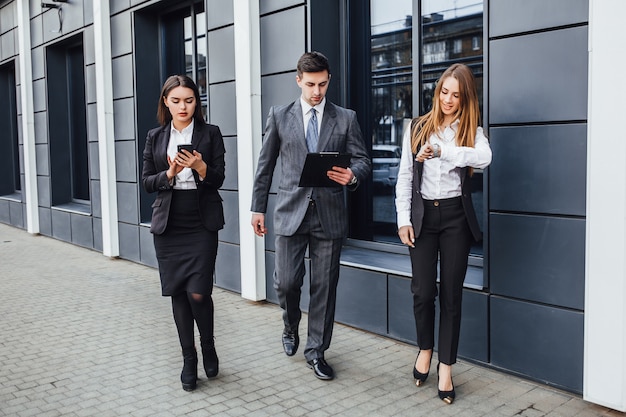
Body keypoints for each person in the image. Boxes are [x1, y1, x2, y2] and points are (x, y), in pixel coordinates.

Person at [250, 51, 370, 381]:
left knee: (324, 288)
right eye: (311, 84)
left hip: (329, 215)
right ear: (298, 80)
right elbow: (265, 167)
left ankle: (316, 351)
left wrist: (353, 176)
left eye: (323, 84)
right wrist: (257, 207)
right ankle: (290, 325)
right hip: (290, 212)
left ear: (329, 80)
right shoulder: (279, 115)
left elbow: (362, 160)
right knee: (287, 283)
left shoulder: (346, 118)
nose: (317, 91)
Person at [395, 63, 491, 404]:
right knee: (422, 291)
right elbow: (405, 176)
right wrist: (403, 219)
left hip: (455, 219)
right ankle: (425, 348)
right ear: (437, 92)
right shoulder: (419, 127)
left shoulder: (471, 131)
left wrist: (443, 151)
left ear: (466, 99)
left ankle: (446, 367)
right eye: (444, 92)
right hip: (422, 216)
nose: (448, 99)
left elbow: (484, 158)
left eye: (456, 94)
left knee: (452, 295)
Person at [142, 75, 226, 392]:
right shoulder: (155, 137)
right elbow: (148, 182)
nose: (183, 106)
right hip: (169, 221)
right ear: (166, 101)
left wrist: (201, 167)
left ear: (197, 102)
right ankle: (189, 359)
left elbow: (219, 178)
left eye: (189, 100)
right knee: (178, 291)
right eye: (176, 100)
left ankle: (208, 344)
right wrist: (170, 173)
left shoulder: (211, 134)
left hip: (201, 220)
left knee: (198, 292)